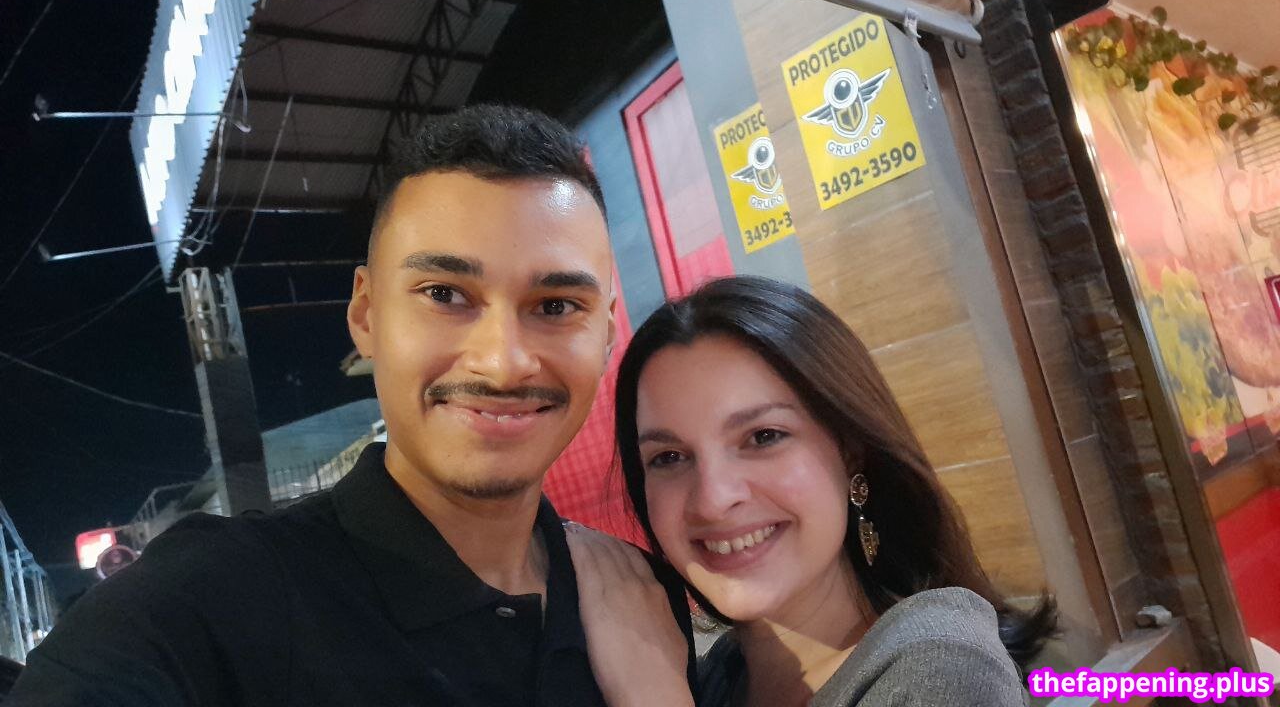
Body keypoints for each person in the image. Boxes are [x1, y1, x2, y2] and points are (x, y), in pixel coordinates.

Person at [6, 104, 694, 706]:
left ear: (607, 334)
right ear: (365, 314)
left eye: (556, 306)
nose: (504, 361)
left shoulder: (639, 598)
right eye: (445, 295)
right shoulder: (213, 606)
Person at [567, 276, 1056, 707]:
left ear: (850, 451)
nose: (713, 499)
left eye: (763, 437)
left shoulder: (939, 663)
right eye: (669, 458)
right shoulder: (714, 678)